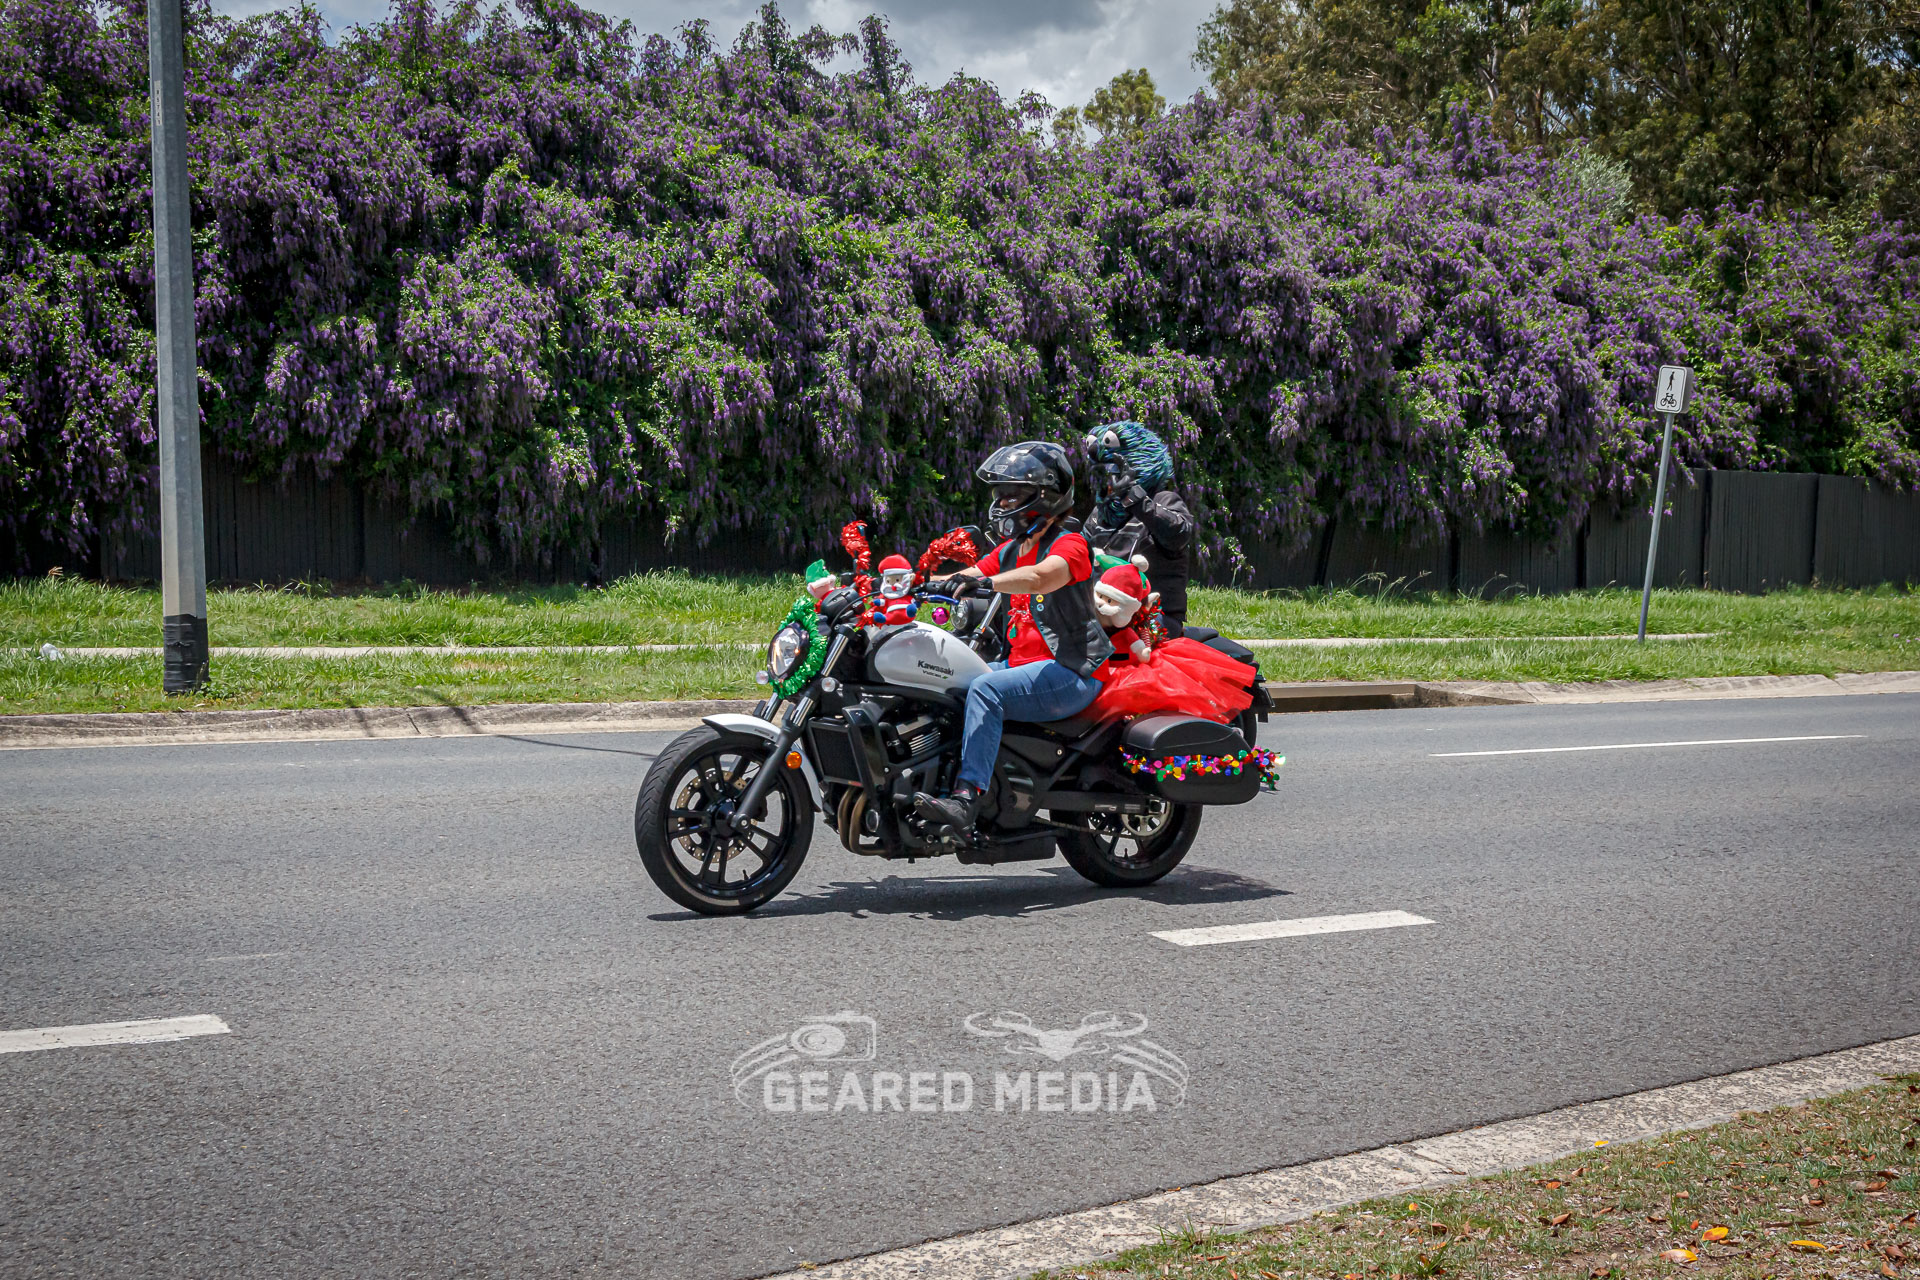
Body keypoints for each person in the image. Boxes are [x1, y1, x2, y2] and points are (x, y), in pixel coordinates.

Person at [914, 441, 1113, 831]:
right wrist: (908, 584)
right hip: (1024, 666)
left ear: (1045, 496)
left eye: (1012, 494)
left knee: (986, 690)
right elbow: (965, 576)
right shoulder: (1011, 550)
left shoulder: (1070, 545)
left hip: (1072, 670)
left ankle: (966, 799)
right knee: (947, 681)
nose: (1002, 503)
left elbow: (1042, 577)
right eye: (999, 494)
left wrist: (988, 582)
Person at [1082, 422, 1193, 636]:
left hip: (1152, 617)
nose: (1110, 482)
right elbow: (1079, 554)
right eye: (1104, 474)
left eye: (1115, 472)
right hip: (1102, 610)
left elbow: (1179, 534)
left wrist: (1135, 498)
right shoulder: (1100, 514)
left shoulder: (1163, 500)